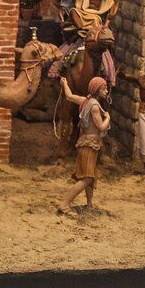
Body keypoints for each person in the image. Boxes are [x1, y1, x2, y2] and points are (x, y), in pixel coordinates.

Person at [58, 75, 112, 212]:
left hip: (88, 143)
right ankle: (64, 204)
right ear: (97, 89)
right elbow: (101, 127)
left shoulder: (86, 100)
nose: (106, 91)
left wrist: (65, 83)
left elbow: (69, 96)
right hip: (89, 144)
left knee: (91, 175)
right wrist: (108, 118)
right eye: (104, 88)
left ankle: (89, 204)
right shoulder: (94, 106)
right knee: (87, 177)